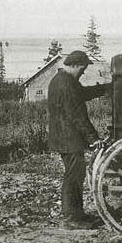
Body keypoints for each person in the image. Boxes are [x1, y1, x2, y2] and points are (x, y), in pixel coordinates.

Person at [48, 50, 108, 229]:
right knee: (73, 177)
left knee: (75, 175)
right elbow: (77, 115)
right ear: (74, 65)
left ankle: (76, 214)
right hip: (68, 137)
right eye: (82, 69)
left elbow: (82, 94)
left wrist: (105, 88)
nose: (83, 72)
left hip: (65, 136)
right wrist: (93, 138)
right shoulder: (66, 84)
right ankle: (70, 218)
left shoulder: (64, 80)